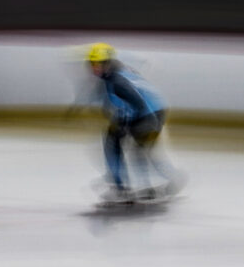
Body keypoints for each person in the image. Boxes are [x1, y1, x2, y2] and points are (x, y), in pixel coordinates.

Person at [78, 42, 184, 202]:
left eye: (97, 64)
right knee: (137, 149)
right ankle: (167, 179)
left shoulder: (116, 81)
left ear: (107, 63)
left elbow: (137, 101)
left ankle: (122, 187)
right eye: (91, 64)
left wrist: (125, 124)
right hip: (154, 111)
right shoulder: (118, 71)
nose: (94, 68)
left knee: (126, 146)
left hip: (147, 115)